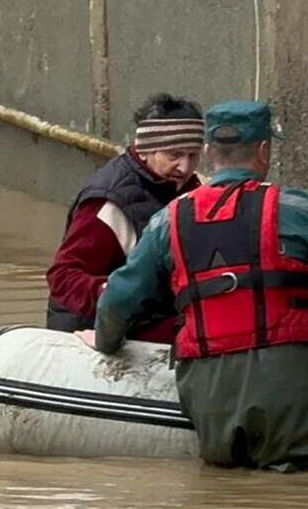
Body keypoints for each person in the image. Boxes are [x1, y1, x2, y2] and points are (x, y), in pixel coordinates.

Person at [86, 100, 308, 471]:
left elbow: (118, 301)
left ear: (206, 152)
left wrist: (104, 343)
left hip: (210, 392)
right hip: (288, 385)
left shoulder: (167, 220)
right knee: (302, 501)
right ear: (264, 151)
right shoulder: (297, 208)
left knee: (223, 499)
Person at [45, 94, 205, 340]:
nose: (185, 167)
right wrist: (115, 295)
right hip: (94, 328)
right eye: (174, 155)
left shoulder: (185, 189)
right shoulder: (108, 202)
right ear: (144, 150)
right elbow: (63, 277)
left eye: (192, 156)